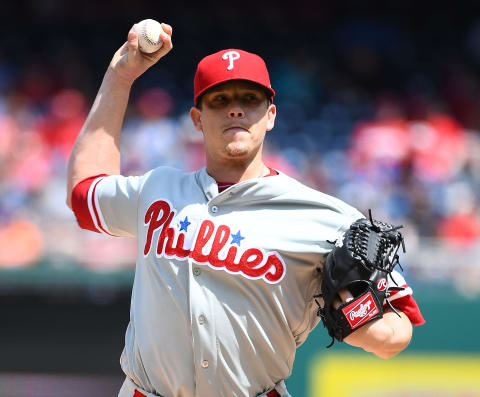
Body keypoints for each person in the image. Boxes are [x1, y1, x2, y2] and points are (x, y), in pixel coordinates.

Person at [66, 23, 424, 397]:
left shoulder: (326, 217)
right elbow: (84, 191)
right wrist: (120, 76)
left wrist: (360, 317)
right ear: (197, 119)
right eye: (219, 100)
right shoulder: (157, 189)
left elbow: (398, 330)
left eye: (249, 100)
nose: (235, 109)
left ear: (270, 115)